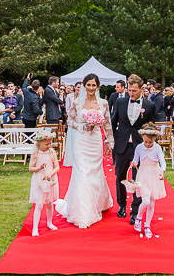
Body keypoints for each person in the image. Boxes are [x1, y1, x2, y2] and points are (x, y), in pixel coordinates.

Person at [56, 74, 115, 230]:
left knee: (95, 172)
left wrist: (109, 141)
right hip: (81, 140)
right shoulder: (77, 102)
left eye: (93, 85)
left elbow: (107, 123)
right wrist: (82, 126)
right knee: (82, 172)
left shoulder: (103, 103)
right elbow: (70, 120)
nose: (90, 88)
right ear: (84, 86)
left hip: (95, 140)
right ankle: (82, 212)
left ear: (98, 87)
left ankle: (97, 202)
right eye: (88, 85)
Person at [109, 77, 155, 224]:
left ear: (142, 89)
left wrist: (152, 148)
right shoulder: (120, 101)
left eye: (134, 91)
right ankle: (122, 205)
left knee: (138, 180)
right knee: (120, 176)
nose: (131, 93)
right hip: (122, 144)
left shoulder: (149, 105)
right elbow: (113, 122)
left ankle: (135, 211)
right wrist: (110, 142)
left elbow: (151, 128)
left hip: (140, 147)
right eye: (130, 90)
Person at [127, 125, 167, 238]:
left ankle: (147, 225)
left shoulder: (157, 148)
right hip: (143, 175)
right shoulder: (139, 147)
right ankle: (139, 218)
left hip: (154, 175)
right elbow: (135, 160)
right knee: (146, 201)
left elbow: (162, 161)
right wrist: (134, 164)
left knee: (152, 203)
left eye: (150, 142)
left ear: (154, 140)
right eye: (146, 141)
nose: (148, 144)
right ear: (142, 138)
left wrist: (162, 171)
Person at [27, 129, 60, 236]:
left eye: (50, 143)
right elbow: (31, 168)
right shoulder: (36, 153)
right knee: (39, 204)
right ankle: (35, 228)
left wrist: (50, 174)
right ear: (39, 143)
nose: (49, 146)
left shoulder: (52, 153)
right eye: (46, 144)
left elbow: (57, 167)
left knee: (50, 202)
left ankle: (49, 222)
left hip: (50, 178)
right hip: (39, 179)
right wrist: (39, 168)